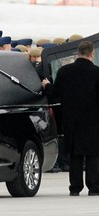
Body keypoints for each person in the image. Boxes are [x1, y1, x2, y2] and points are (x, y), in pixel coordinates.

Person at [42, 41, 99, 196]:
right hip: (93, 120)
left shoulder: (64, 71)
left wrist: (47, 85)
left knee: (75, 154)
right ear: (92, 54)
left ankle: (75, 187)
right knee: (93, 154)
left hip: (71, 120)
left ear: (77, 53)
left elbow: (54, 94)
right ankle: (94, 187)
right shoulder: (97, 72)